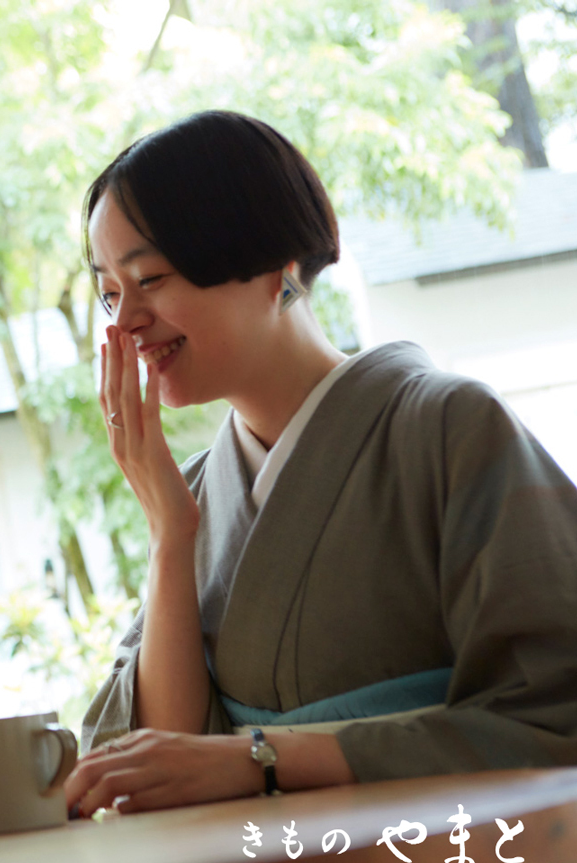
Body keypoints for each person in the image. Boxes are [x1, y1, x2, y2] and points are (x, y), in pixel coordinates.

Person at [66, 110, 577, 817]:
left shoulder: (450, 427)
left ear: (278, 268)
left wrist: (267, 762)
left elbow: (555, 714)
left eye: (150, 277)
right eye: (110, 293)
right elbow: (158, 761)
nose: (125, 323)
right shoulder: (189, 495)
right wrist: (170, 536)